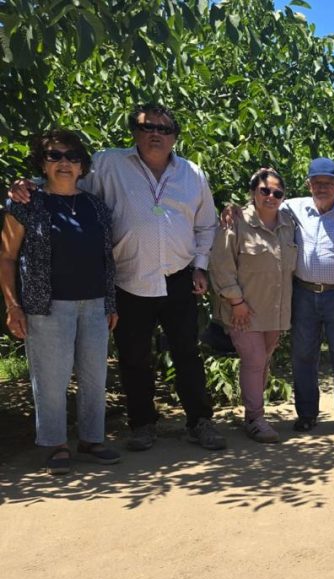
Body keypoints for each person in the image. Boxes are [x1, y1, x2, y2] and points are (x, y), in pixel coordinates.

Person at [10, 103, 226, 451]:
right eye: (147, 126)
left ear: (175, 136)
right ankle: (143, 425)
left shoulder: (193, 174)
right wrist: (27, 186)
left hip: (178, 278)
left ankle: (200, 422)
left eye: (164, 128)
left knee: (187, 353)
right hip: (128, 278)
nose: (156, 133)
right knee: (133, 356)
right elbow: (65, 181)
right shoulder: (110, 163)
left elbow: (206, 224)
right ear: (135, 132)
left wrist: (200, 266)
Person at [1, 130, 120, 475]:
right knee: (51, 379)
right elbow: (6, 257)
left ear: (82, 166)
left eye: (72, 157)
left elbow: (106, 258)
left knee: (95, 376)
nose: (64, 163)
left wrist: (110, 302)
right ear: (43, 163)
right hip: (47, 306)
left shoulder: (95, 205)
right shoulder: (25, 203)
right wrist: (13, 306)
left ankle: (91, 439)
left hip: (95, 302)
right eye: (55, 156)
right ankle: (55, 444)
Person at [209, 169, 298, 443]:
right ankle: (256, 418)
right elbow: (221, 265)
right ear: (253, 193)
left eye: (277, 193)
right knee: (254, 360)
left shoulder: (289, 224)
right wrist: (236, 301)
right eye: (265, 191)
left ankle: (252, 415)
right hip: (243, 310)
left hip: (275, 309)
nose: (271, 197)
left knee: (262, 361)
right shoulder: (235, 221)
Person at [283, 159, 334, 433]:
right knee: (303, 356)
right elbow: (260, 208)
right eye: (317, 182)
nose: (322, 187)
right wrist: (235, 210)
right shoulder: (292, 207)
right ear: (308, 184)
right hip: (303, 293)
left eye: (328, 182)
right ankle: (306, 415)